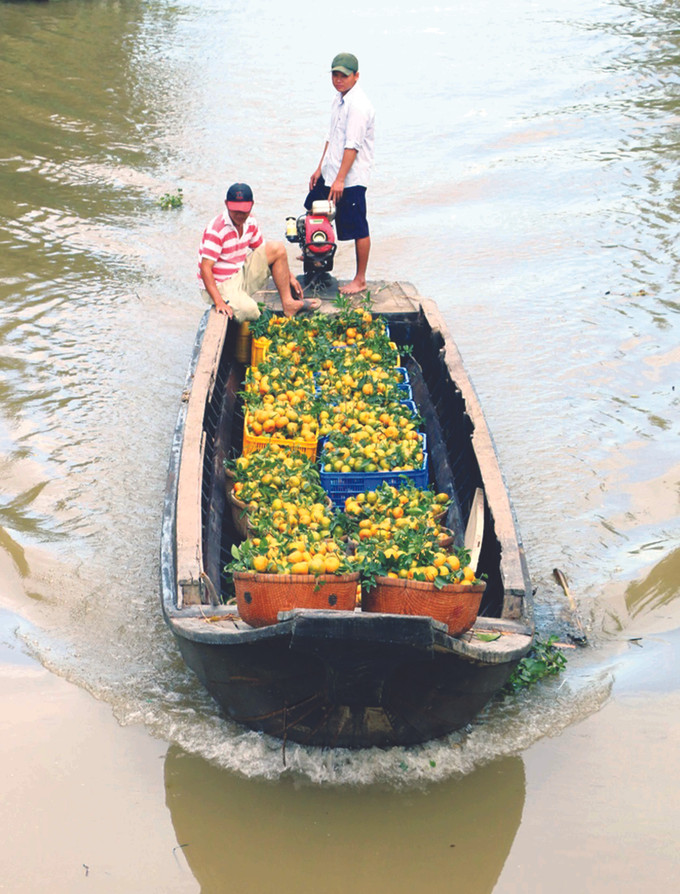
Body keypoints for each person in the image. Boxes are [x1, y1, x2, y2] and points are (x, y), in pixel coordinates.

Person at [306, 52, 375, 295]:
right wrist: (320, 168)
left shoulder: (358, 106)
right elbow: (331, 137)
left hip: (351, 178)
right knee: (312, 213)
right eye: (335, 75)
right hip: (330, 171)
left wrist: (340, 179)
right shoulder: (338, 100)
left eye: (343, 75)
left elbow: (352, 146)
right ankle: (317, 268)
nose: (338, 80)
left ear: (356, 76)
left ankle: (360, 279)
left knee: (358, 227)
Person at [198, 183, 321, 319]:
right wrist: (219, 302)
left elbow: (262, 252)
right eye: (235, 210)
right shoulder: (216, 230)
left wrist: (289, 276)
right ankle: (236, 301)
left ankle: (289, 304)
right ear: (226, 204)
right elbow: (205, 268)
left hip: (239, 273)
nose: (240, 215)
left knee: (277, 248)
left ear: (252, 205)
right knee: (250, 311)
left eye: (244, 210)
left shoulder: (250, 222)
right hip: (220, 284)